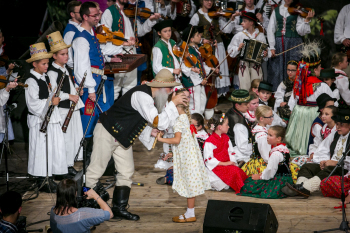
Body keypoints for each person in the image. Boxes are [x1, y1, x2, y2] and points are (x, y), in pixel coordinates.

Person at [85, 69, 188, 221]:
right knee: (95, 170)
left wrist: (149, 131)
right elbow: (159, 122)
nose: (171, 91)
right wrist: (173, 103)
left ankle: (119, 208)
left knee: (126, 171)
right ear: (160, 86)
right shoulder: (142, 95)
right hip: (107, 131)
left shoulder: (149, 97)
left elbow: (136, 118)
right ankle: (88, 208)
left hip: (122, 135)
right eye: (169, 88)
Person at [71, 2, 118, 160]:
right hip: (91, 84)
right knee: (89, 119)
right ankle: (86, 155)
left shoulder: (91, 34)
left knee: (99, 118)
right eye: (95, 15)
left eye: (99, 14)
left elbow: (96, 56)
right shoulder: (81, 39)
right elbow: (81, 68)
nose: (98, 18)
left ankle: (99, 156)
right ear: (85, 16)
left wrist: (109, 58)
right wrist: (90, 89)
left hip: (98, 81)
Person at [157, 88, 211, 223]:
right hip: (189, 154)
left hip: (187, 157)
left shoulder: (179, 120)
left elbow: (177, 140)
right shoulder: (185, 117)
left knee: (189, 184)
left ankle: (190, 214)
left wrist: (161, 139)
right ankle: (189, 212)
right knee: (189, 183)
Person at [25, 42, 66, 193]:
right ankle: (42, 179)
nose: (46, 66)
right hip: (39, 120)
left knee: (52, 148)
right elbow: (33, 105)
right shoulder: (31, 81)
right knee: (41, 149)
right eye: (43, 63)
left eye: (47, 63)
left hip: (50, 118)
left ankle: (49, 175)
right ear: (35, 64)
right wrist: (50, 102)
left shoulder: (44, 77)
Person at [283, 108, 350, 198]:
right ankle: (299, 187)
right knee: (307, 167)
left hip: (345, 170)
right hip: (332, 165)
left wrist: (335, 163)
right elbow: (323, 149)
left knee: (329, 170)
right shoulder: (335, 134)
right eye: (337, 124)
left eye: (341, 124)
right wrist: (324, 161)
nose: (337, 127)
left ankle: (305, 187)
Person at [101, 0, 160, 100]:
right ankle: (110, 113)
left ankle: (126, 112)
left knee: (130, 87)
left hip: (132, 53)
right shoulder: (109, 12)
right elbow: (105, 36)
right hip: (118, 53)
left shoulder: (131, 13)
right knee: (115, 88)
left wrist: (150, 20)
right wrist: (122, 43)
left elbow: (140, 31)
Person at [286, 41, 334, 156]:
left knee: (298, 138)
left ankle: (298, 152)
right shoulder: (323, 86)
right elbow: (331, 105)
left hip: (299, 112)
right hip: (314, 114)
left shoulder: (298, 84)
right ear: (316, 69)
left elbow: (291, 104)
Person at [47, 31, 84, 176]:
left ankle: (69, 164)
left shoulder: (66, 68)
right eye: (62, 54)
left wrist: (76, 90)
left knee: (73, 138)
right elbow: (54, 93)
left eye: (67, 53)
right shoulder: (52, 72)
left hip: (72, 108)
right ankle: (62, 168)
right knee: (65, 139)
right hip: (62, 109)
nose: (66, 56)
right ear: (54, 56)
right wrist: (69, 95)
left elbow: (69, 84)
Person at [189, 0, 235, 95]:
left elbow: (226, 30)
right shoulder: (197, 16)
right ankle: (209, 92)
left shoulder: (217, 15)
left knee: (219, 67)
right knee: (208, 68)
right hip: (205, 49)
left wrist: (232, 19)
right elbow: (191, 34)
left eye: (211, 0)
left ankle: (218, 94)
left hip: (218, 46)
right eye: (206, 0)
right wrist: (202, 40)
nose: (209, 2)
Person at [267, 0, 314, 91]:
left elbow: (301, 31)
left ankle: (294, 93)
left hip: (294, 43)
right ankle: (278, 94)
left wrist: (306, 20)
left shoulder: (298, 10)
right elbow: (270, 29)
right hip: (279, 44)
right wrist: (272, 46)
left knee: (293, 67)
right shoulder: (276, 10)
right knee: (277, 69)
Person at [239, 126, 294, 198]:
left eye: (270, 135)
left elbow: (270, 171)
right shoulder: (284, 149)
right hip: (286, 179)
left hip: (277, 181)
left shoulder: (276, 154)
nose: (267, 137)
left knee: (247, 185)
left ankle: (281, 190)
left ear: (278, 139)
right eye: (267, 134)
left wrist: (260, 176)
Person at [180, 25, 219, 118]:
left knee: (202, 104)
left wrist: (210, 69)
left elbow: (200, 65)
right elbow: (187, 69)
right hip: (193, 83)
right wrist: (199, 80)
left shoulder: (196, 50)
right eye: (198, 35)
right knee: (195, 107)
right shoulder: (187, 51)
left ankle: (199, 124)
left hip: (200, 82)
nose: (200, 37)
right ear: (192, 39)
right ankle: (194, 126)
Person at [203, 114, 248, 192]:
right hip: (217, 166)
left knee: (239, 171)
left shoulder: (226, 138)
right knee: (235, 172)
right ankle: (242, 187)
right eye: (227, 125)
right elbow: (208, 159)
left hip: (227, 164)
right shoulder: (209, 141)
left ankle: (245, 186)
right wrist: (226, 164)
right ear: (220, 127)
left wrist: (232, 162)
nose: (228, 127)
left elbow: (231, 152)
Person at [228, 12, 268, 91]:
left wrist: (265, 54)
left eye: (244, 21)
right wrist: (238, 48)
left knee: (256, 85)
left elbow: (265, 50)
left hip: (256, 65)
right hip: (244, 64)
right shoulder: (240, 35)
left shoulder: (260, 35)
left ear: (251, 23)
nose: (242, 23)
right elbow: (230, 49)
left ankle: (255, 102)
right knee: (244, 86)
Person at [241, 105, 272, 176]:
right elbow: (265, 155)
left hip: (255, 160)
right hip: (261, 163)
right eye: (269, 117)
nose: (272, 118)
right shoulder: (262, 135)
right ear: (261, 118)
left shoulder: (257, 127)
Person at [226, 90, 253, 166]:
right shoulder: (239, 125)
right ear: (237, 105)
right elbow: (243, 148)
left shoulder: (231, 111)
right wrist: (256, 148)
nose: (248, 106)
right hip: (238, 152)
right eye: (245, 104)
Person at [63, 1, 82, 69]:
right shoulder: (70, 32)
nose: (83, 13)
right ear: (72, 14)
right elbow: (69, 57)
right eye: (80, 12)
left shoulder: (80, 27)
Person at [334, 3, 350, 77]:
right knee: (346, 75)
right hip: (348, 45)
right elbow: (338, 27)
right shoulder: (346, 9)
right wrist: (342, 39)